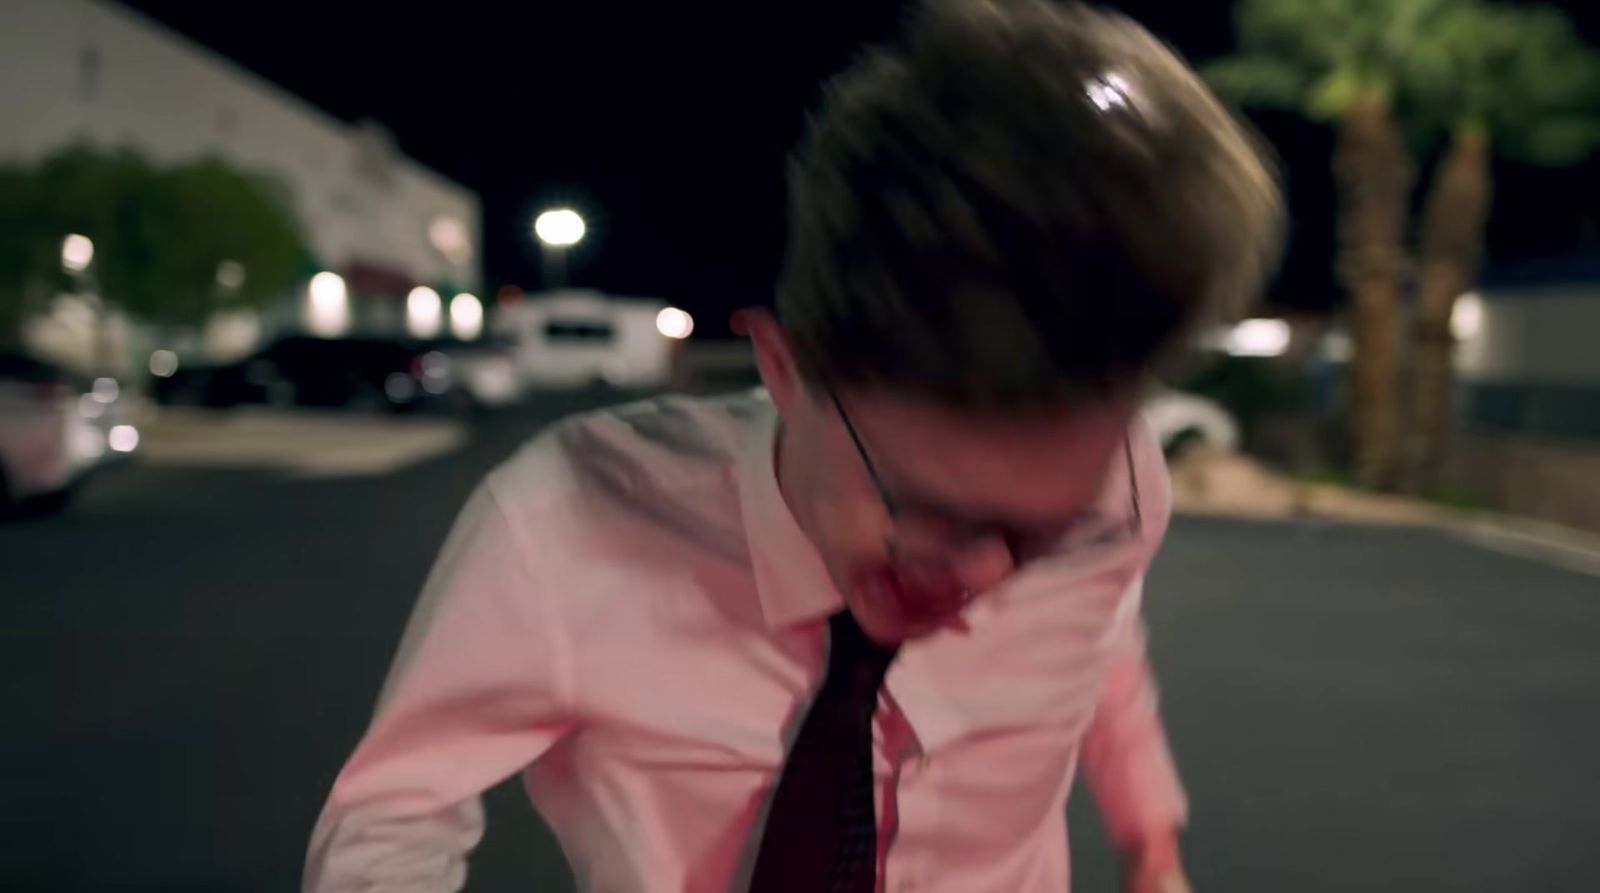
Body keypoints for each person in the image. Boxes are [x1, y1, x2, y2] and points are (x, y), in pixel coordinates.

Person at [304, 1, 1282, 890]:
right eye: (922, 509)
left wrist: (1150, 842)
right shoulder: (562, 525)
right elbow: (394, 814)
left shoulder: (1120, 493)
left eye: (1036, 533)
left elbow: (1101, 638)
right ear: (785, 368)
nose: (981, 576)